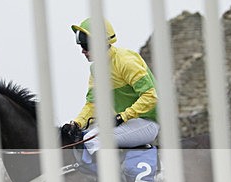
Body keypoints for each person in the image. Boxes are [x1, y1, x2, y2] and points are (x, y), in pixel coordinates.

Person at [61, 18, 159, 154]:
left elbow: (151, 96)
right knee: (82, 137)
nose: (82, 51)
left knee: (92, 139)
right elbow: (93, 104)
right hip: (128, 122)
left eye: (85, 46)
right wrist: (76, 124)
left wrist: (122, 117)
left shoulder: (125, 61)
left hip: (148, 122)